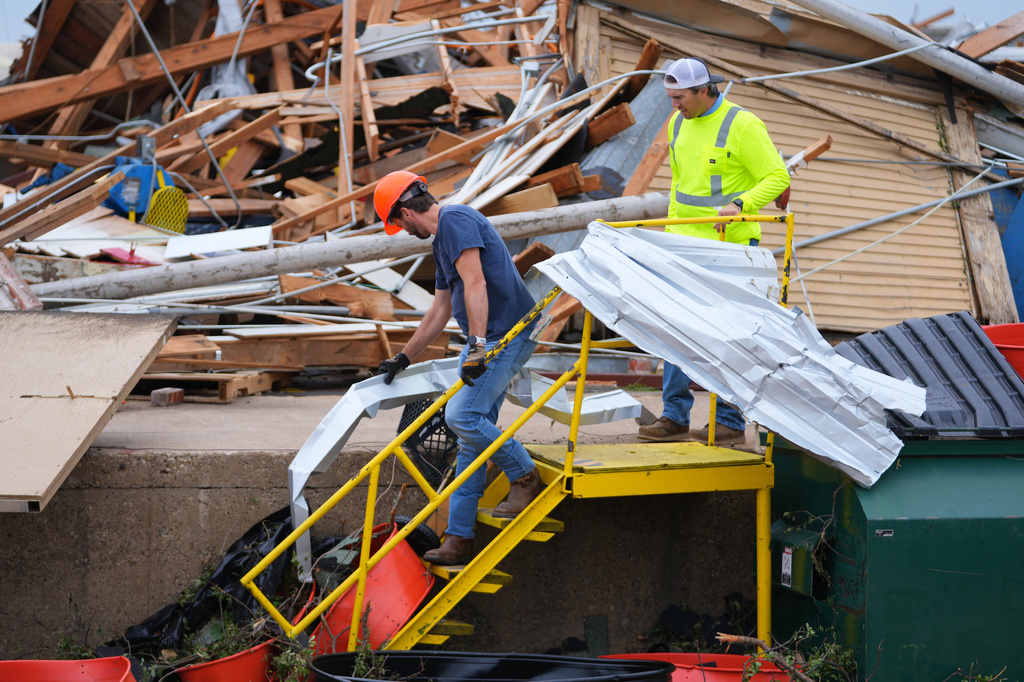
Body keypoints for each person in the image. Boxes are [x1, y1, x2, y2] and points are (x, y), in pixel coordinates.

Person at [372, 170, 542, 565]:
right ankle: (459, 538)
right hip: (490, 339)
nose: (399, 228)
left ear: (404, 212)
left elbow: (477, 283)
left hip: (508, 335)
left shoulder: (458, 221)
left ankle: (524, 474)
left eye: (395, 222)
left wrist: (478, 348)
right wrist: (404, 357)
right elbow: (441, 309)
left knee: (462, 415)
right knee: (471, 439)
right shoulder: (442, 241)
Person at [638, 57, 790, 445]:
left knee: (726, 335)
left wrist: (741, 205)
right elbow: (680, 187)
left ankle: (729, 422)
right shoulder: (678, 123)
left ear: (705, 90)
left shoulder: (744, 125)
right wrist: (670, 235)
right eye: (670, 98)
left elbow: (777, 177)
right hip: (686, 243)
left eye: (681, 98)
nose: (675, 106)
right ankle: (674, 415)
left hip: (731, 247)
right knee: (673, 328)